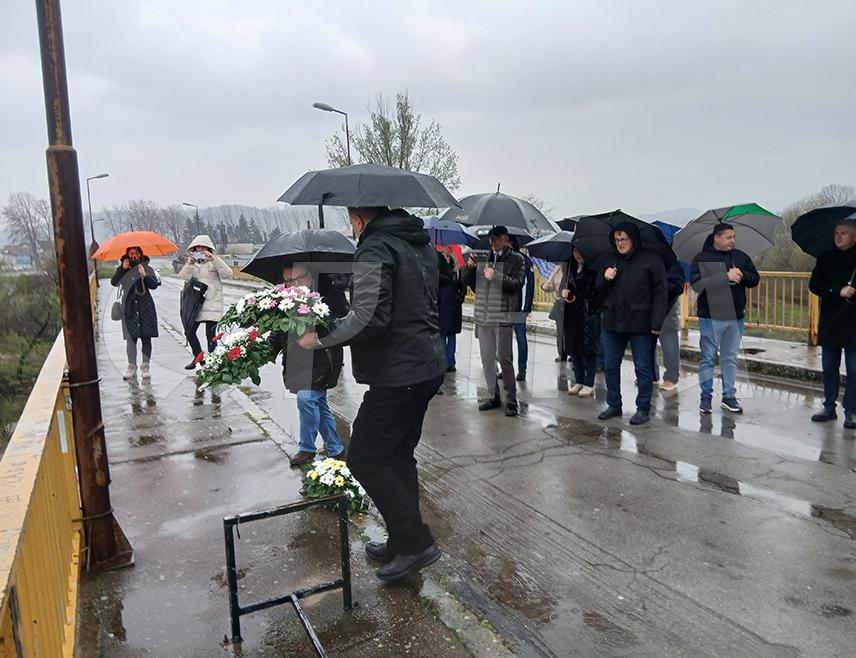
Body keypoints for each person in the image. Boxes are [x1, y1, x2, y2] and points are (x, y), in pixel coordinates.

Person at [296, 206, 446, 582]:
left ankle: (415, 543)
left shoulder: (375, 247)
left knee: (364, 457)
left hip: (400, 372)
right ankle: (401, 539)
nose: (351, 224)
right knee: (397, 457)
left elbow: (370, 316)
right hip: (424, 363)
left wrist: (322, 336)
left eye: (350, 217)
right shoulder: (418, 244)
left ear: (359, 216)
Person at [270, 263, 349, 465]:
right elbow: (278, 330)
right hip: (297, 361)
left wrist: (320, 334)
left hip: (324, 358)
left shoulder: (330, 295)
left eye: (299, 278)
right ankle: (335, 447)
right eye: (288, 281)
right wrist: (264, 350)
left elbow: (348, 323)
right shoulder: (285, 300)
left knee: (307, 399)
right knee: (317, 403)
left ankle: (307, 447)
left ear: (310, 276)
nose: (294, 284)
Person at [595, 223, 667, 425]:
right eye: (617, 240)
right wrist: (604, 277)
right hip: (612, 321)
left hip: (641, 322)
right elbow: (597, 289)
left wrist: (657, 321)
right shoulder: (611, 260)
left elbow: (661, 292)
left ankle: (643, 407)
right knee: (610, 365)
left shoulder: (651, 260)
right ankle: (614, 404)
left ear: (633, 239)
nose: (620, 244)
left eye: (623, 239)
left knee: (643, 367)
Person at [690, 223, 760, 414]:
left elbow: (755, 278)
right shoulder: (702, 258)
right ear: (717, 238)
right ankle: (706, 398)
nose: (732, 241)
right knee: (708, 358)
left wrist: (742, 274)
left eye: (733, 237)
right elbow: (697, 285)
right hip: (711, 317)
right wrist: (724, 276)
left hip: (735, 316)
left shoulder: (739, 257)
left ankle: (729, 397)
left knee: (730, 358)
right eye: (728, 237)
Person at [461, 226, 526, 417]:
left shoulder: (517, 259)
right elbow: (467, 282)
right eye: (491, 239)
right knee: (487, 360)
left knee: (504, 359)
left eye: (496, 239)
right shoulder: (483, 257)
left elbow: (517, 284)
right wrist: (470, 268)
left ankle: (511, 400)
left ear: (505, 239)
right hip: (484, 315)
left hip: (503, 316)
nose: (493, 242)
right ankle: (493, 395)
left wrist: (495, 275)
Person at [808, 218, 856, 429]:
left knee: (854, 370)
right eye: (836, 232)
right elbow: (815, 285)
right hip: (831, 319)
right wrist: (838, 291)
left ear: (854, 236)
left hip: (854, 321)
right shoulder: (826, 256)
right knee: (829, 366)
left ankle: (852, 410)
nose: (838, 237)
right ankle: (829, 406)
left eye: (843, 233)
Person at [178, 235, 233, 369]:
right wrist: (189, 264)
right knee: (189, 331)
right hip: (195, 304)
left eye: (203, 248)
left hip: (212, 302)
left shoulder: (214, 261)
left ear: (208, 248)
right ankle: (199, 358)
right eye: (197, 248)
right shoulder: (193, 264)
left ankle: (215, 363)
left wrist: (214, 259)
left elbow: (228, 274)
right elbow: (183, 277)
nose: (200, 250)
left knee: (211, 336)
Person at [110, 246, 161, 381]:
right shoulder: (123, 269)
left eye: (135, 254)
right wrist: (122, 269)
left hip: (145, 306)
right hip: (130, 308)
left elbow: (154, 285)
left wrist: (144, 274)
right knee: (131, 339)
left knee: (146, 337)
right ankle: (131, 366)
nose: (133, 256)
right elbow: (114, 282)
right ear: (127, 255)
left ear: (140, 254)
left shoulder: (146, 268)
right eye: (130, 254)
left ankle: (145, 367)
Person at [564, 247, 600, 398]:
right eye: (575, 252)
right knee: (576, 347)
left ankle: (589, 383)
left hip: (589, 313)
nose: (578, 255)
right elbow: (566, 287)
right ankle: (578, 380)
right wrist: (564, 291)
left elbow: (595, 289)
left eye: (580, 251)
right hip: (573, 312)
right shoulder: (570, 268)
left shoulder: (594, 268)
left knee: (589, 349)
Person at [651, 260, 686, 391]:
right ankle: (652, 375)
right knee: (648, 346)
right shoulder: (648, 260)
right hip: (649, 310)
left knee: (669, 345)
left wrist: (659, 284)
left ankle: (671, 378)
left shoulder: (673, 264)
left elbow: (678, 287)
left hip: (668, 311)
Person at [510, 236, 535, 381]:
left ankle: (522, 369)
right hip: (506, 306)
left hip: (519, 307)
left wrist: (527, 307)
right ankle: (507, 368)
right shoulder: (502, 259)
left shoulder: (525, 260)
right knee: (505, 340)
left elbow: (529, 286)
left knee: (520, 338)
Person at [437, 248, 465, 373]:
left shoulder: (457, 272)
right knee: (442, 336)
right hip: (441, 306)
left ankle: (450, 362)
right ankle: (444, 362)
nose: (445, 258)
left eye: (447, 256)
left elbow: (463, 287)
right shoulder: (438, 272)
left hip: (453, 308)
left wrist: (459, 298)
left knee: (451, 336)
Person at [541, 262, 570, 361]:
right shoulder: (557, 270)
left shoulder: (573, 269)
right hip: (560, 303)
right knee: (560, 330)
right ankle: (561, 353)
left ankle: (573, 353)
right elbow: (552, 285)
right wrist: (545, 287)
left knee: (571, 330)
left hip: (573, 303)